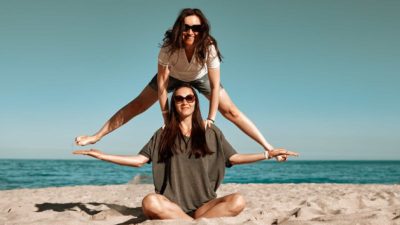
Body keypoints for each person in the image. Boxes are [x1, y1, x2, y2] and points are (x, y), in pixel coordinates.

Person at [75, 8, 280, 159]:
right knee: (138, 105)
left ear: (202, 30)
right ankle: (97, 135)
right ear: (179, 28)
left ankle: (268, 146)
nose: (191, 32)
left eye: (196, 28)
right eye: (186, 27)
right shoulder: (168, 48)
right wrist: (166, 118)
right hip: (173, 76)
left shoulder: (208, 47)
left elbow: (215, 85)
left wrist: (212, 118)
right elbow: (163, 85)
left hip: (200, 78)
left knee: (232, 112)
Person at [73, 84, 298, 220]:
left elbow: (233, 158)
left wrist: (268, 153)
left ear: (195, 103)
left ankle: (187, 222)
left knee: (238, 201)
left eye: (189, 98)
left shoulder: (211, 132)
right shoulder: (162, 134)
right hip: (171, 206)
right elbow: (139, 160)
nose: (184, 102)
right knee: (150, 202)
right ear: (174, 104)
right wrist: (102, 155)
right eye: (179, 98)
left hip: (204, 207)